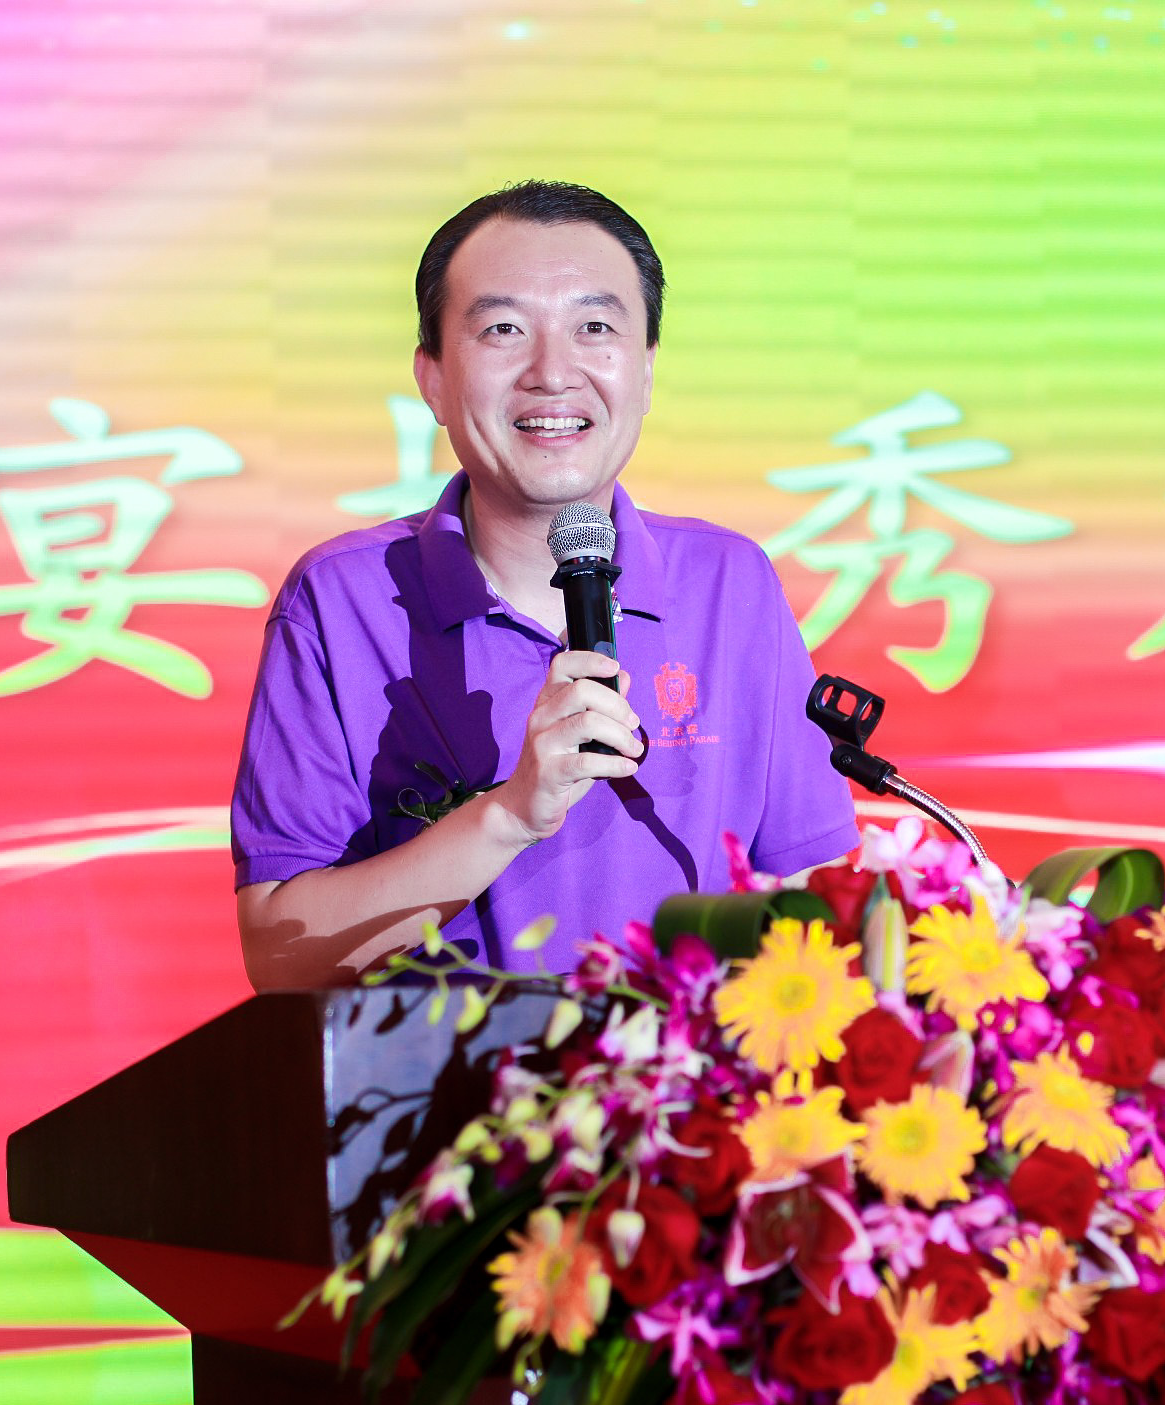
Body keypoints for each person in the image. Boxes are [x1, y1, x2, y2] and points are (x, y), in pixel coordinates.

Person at [231, 181, 858, 986]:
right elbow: (281, 961)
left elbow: (813, 898)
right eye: (503, 329)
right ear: (432, 378)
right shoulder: (339, 602)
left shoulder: (730, 584)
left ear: (646, 370)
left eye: (595, 327)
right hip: (435, 1069)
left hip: (680, 1065)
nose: (553, 374)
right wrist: (508, 815)